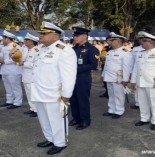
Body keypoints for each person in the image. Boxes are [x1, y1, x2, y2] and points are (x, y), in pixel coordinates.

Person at [30, 22, 77, 155]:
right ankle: (50, 138)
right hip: (39, 91)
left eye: (44, 34)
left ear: (55, 36)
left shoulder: (64, 50)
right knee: (44, 119)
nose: (40, 36)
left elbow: (68, 75)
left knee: (57, 120)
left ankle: (60, 142)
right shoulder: (42, 49)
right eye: (40, 33)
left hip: (54, 94)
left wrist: (66, 95)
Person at [131, 32, 155, 131]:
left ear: (151, 42)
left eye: (143, 41)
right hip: (140, 82)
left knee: (154, 103)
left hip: (153, 84)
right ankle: (144, 118)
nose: (141, 43)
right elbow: (136, 68)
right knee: (142, 102)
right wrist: (133, 81)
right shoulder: (140, 53)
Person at [69, 27, 99, 130]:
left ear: (85, 36)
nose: (74, 37)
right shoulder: (73, 49)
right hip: (71, 78)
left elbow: (93, 65)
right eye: (74, 35)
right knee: (73, 99)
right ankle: (76, 117)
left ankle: (85, 120)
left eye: (77, 36)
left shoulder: (92, 49)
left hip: (83, 78)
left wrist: (75, 68)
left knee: (82, 99)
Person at [101, 32, 133, 119]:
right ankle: (111, 110)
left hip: (119, 78)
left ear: (118, 41)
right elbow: (106, 65)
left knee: (118, 95)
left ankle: (119, 111)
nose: (110, 42)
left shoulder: (125, 52)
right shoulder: (110, 52)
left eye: (112, 40)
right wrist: (103, 74)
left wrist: (125, 79)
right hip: (109, 77)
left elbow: (127, 67)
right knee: (111, 94)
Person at [0, 30, 25, 109]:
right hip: (5, 70)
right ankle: (9, 101)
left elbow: (17, 58)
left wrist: (4, 61)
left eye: (3, 38)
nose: (2, 40)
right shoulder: (4, 47)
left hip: (13, 70)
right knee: (8, 87)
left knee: (15, 87)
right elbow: (3, 57)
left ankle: (17, 102)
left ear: (7, 38)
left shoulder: (15, 47)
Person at [21, 33, 39, 117]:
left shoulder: (36, 51)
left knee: (33, 93)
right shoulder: (28, 50)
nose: (25, 42)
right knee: (28, 93)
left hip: (31, 76)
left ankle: (36, 110)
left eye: (26, 40)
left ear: (31, 42)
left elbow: (36, 64)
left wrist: (24, 63)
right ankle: (32, 108)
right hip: (26, 76)